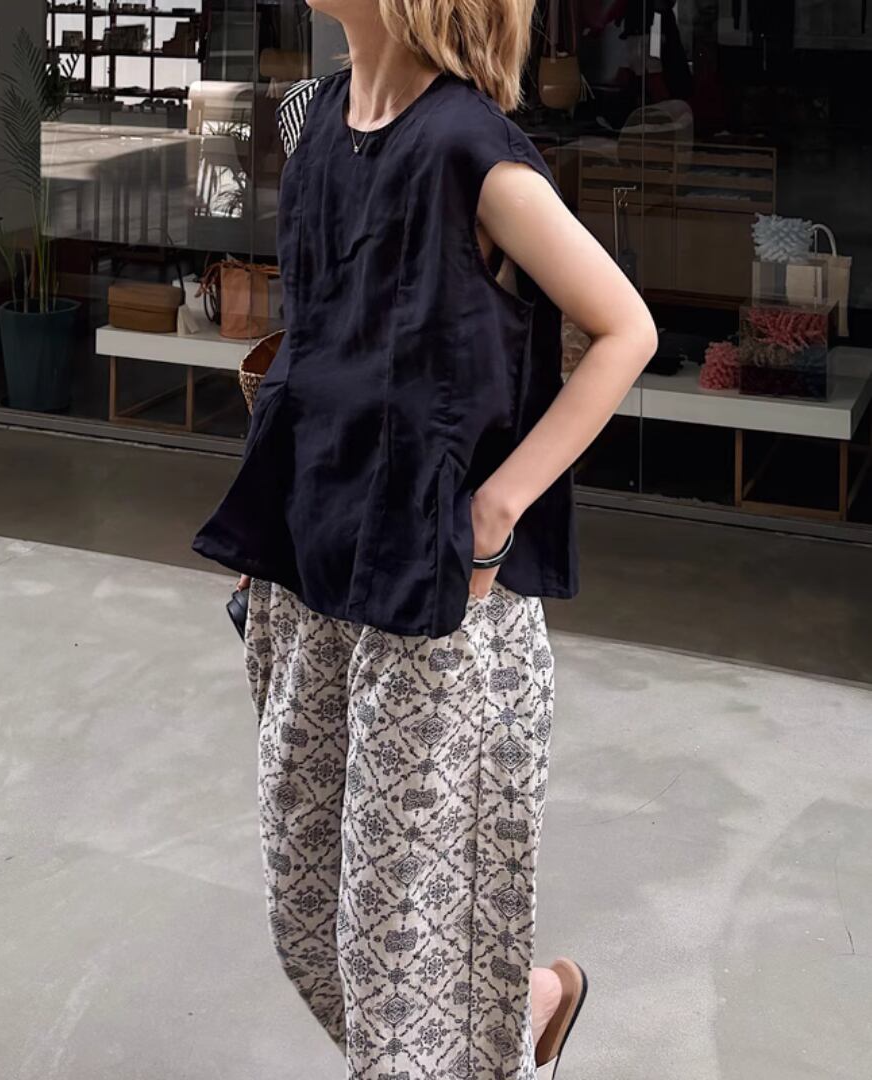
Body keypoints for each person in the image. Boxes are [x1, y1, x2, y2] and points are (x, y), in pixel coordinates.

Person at [191, 1, 657, 1076]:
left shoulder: (468, 149)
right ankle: (528, 1005)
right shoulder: (316, 122)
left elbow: (624, 328)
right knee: (312, 925)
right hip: (312, 579)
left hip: (438, 609)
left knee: (398, 976)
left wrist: (497, 513)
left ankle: (498, 1030)